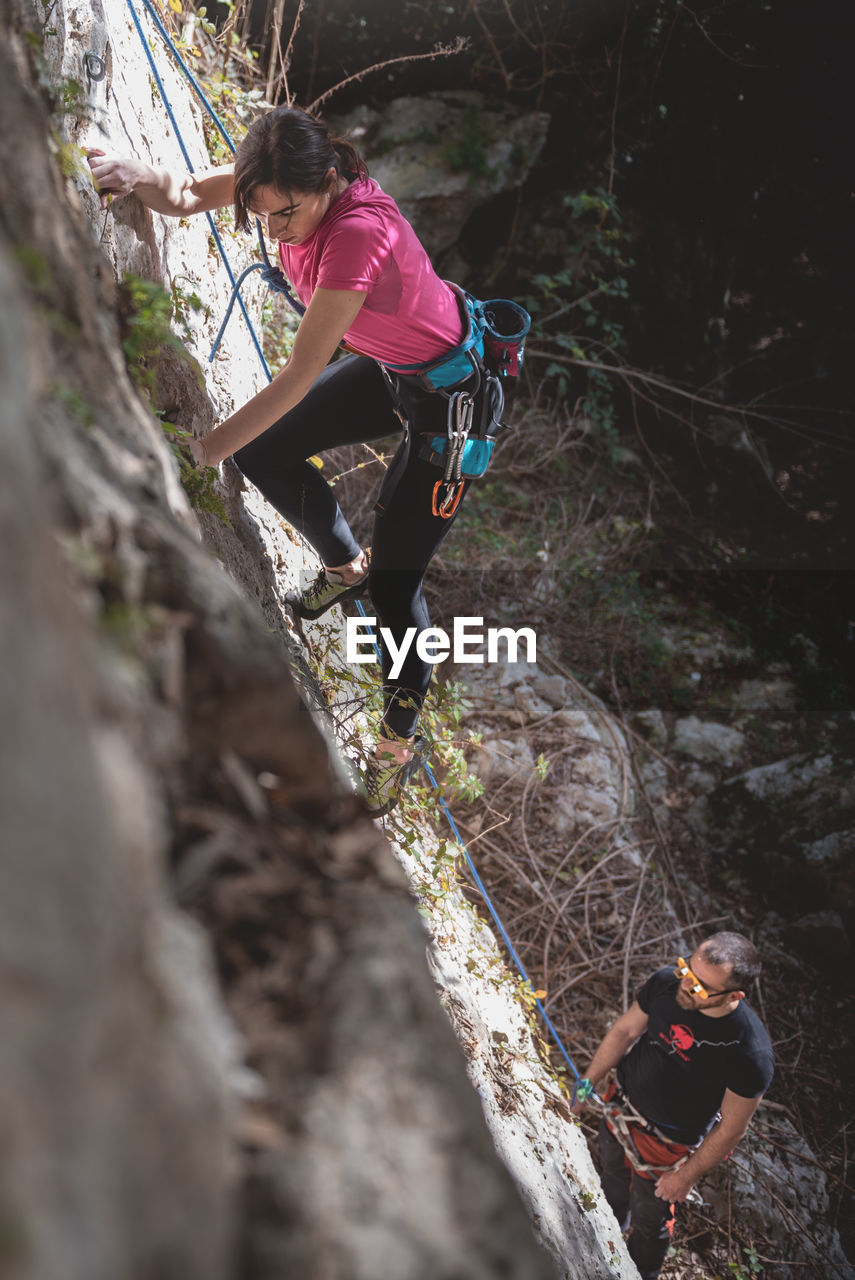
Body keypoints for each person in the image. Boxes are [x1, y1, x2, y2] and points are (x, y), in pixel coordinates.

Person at [88, 106, 494, 814]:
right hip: (394, 369)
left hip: (450, 402)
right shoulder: (278, 184)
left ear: (331, 180)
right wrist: (132, 173)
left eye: (287, 215)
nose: (274, 231)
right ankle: (342, 567)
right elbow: (183, 193)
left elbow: (299, 374)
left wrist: (203, 451)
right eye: (262, 215)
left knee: (397, 590)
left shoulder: (356, 236)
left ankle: (395, 744)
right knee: (269, 453)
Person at [572, 933, 774, 1279]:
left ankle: (638, 1274)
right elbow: (625, 1031)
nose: (686, 985)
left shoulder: (747, 1052)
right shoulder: (668, 983)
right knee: (612, 1181)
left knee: (650, 1224)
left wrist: (686, 1176)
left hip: (667, 1149)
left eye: (700, 986)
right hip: (620, 1110)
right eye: (687, 971)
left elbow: (731, 1128)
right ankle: (600, 1242)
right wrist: (586, 1082)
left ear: (734, 995)